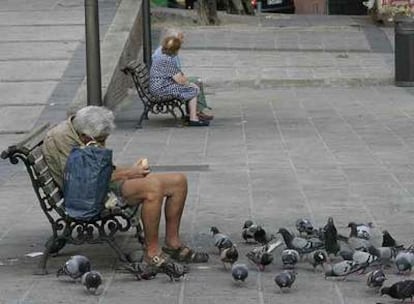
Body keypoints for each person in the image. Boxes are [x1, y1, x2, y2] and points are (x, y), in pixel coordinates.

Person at [41, 106, 209, 276]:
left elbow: (97, 169)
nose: (103, 144)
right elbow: (84, 179)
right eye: (100, 140)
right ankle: (152, 253)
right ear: (86, 136)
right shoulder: (63, 139)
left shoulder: (79, 129)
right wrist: (129, 173)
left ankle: (173, 243)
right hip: (88, 194)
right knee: (153, 189)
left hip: (98, 183)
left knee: (178, 181)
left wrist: (128, 172)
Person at [152, 28, 213, 121]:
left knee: (193, 85)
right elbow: (179, 79)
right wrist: (188, 83)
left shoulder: (166, 55)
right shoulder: (165, 59)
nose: (182, 41)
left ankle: (195, 114)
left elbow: (177, 75)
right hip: (162, 88)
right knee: (194, 87)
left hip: (163, 85)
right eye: (181, 38)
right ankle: (194, 116)